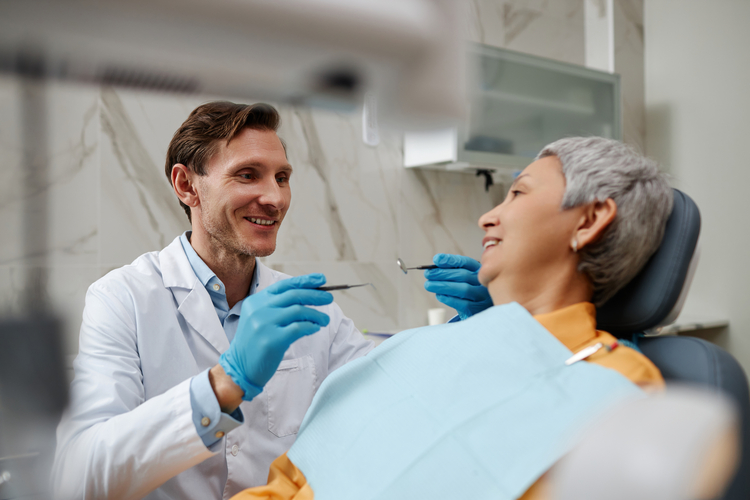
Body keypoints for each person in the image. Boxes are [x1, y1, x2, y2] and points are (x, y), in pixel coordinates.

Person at [230, 136, 673, 500]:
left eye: (517, 192)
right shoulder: (421, 346)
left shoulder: (615, 385)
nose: (487, 216)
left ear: (589, 219)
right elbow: (290, 481)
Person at [52, 102, 380, 499]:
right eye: (247, 175)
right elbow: (78, 476)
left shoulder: (311, 305)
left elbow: (388, 400)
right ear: (187, 186)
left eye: (282, 177)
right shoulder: (123, 299)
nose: (275, 198)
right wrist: (225, 384)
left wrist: (469, 329)